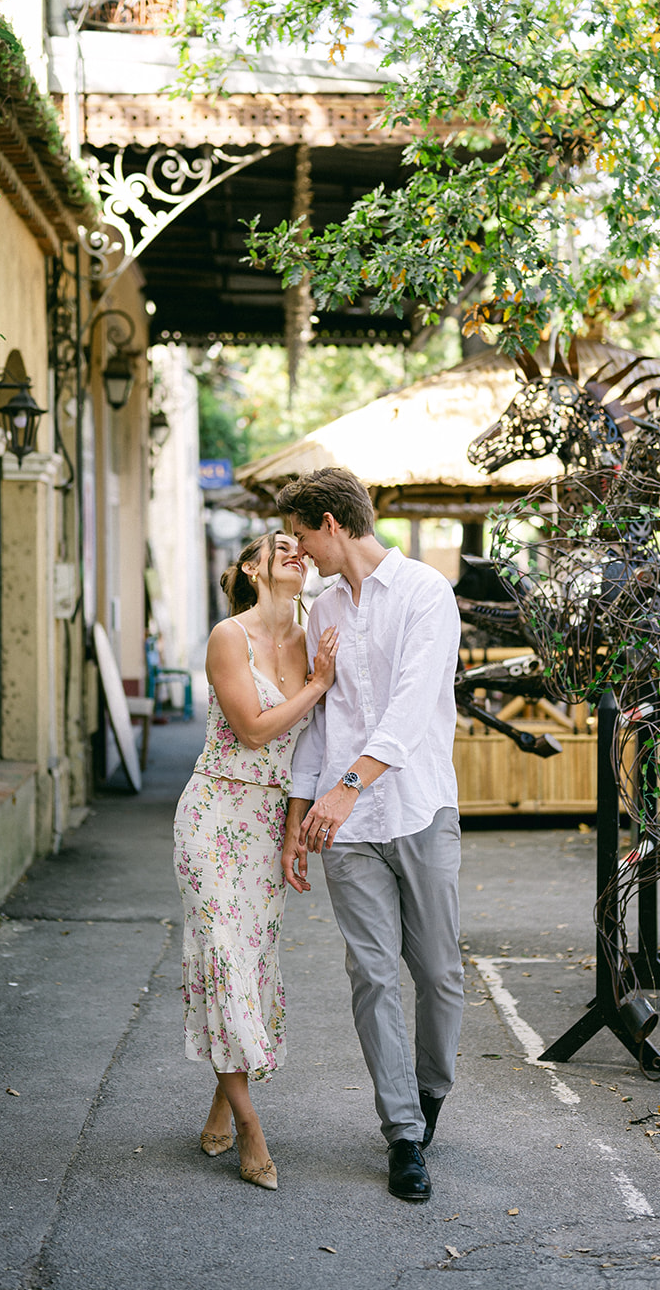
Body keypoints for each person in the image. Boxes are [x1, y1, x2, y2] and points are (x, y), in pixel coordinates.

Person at [275, 467, 464, 1203]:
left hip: (418, 809)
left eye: (299, 534)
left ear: (328, 521)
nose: (299, 551)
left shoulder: (424, 593)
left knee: (440, 974)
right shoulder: (320, 613)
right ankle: (403, 1134)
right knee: (372, 974)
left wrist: (350, 787)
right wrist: (300, 821)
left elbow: (414, 707)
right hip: (342, 827)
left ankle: (429, 1092)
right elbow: (319, 728)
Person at [173, 530, 339, 1191]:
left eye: (299, 547)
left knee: (252, 961)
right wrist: (319, 685)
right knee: (219, 956)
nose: (295, 553)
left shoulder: (309, 638)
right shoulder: (227, 635)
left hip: (269, 820)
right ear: (252, 567)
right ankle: (249, 1125)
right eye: (279, 547)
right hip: (213, 814)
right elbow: (254, 728)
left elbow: (308, 749)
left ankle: (224, 1092)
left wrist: (295, 829)